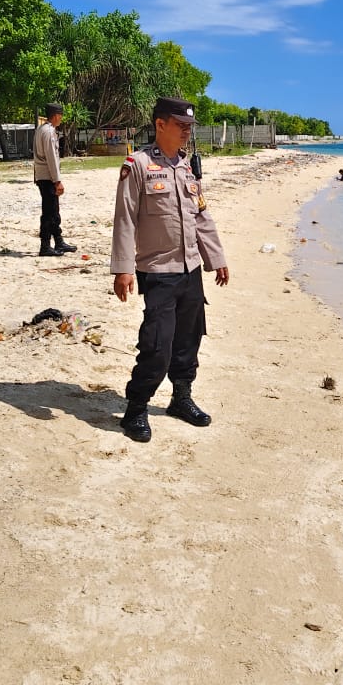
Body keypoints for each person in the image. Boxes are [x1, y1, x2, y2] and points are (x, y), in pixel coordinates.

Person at [111, 96, 230, 443]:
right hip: (158, 270)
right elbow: (125, 219)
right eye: (181, 126)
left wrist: (216, 258)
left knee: (188, 340)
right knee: (157, 345)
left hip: (191, 269)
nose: (187, 133)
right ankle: (135, 409)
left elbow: (201, 216)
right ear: (160, 124)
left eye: (189, 127)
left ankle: (181, 398)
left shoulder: (186, 167)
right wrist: (123, 269)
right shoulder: (138, 165)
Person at [33, 103, 77, 256]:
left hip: (42, 175)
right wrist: (57, 180)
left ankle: (58, 241)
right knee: (49, 212)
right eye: (61, 115)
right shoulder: (49, 132)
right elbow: (51, 157)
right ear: (56, 115)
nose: (61, 119)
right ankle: (45, 245)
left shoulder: (41, 129)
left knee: (53, 210)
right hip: (48, 177)